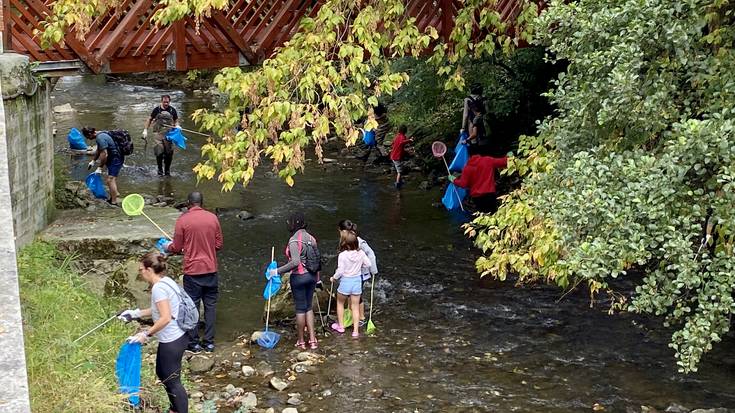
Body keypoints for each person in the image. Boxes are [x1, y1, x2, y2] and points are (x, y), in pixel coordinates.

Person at [119, 252, 189, 413]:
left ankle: (179, 410)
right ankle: (174, 408)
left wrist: (146, 334)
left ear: (149, 269)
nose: (140, 273)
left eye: (141, 269)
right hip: (178, 336)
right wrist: (135, 313)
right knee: (163, 372)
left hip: (172, 339)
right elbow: (160, 309)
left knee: (172, 379)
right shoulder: (166, 281)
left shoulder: (159, 288)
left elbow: (164, 318)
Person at [165, 192, 223, 353]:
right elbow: (218, 244)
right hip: (211, 269)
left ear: (188, 203)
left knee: (193, 307)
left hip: (192, 271)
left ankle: (194, 343)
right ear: (201, 203)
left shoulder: (183, 220)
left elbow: (176, 247)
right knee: (210, 306)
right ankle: (209, 343)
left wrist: (167, 247)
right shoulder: (213, 218)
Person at [271, 212, 320, 350]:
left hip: (298, 277)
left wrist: (277, 271)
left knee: (300, 309)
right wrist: (318, 279)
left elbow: (295, 262)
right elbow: (316, 259)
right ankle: (313, 340)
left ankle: (301, 341)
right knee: (309, 307)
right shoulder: (312, 238)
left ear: (294, 224)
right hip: (311, 276)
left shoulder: (293, 240)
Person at [330, 230, 371, 338]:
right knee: (355, 307)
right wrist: (360, 266)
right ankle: (356, 331)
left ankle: (341, 326)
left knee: (340, 303)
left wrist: (334, 278)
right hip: (356, 282)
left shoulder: (342, 255)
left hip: (345, 282)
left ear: (345, 244)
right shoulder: (361, 253)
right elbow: (369, 264)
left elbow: (340, 270)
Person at [337, 219, 378, 326]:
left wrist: (373, 270)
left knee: (357, 296)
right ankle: (353, 315)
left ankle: (361, 317)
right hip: (353, 273)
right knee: (353, 295)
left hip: (360, 273)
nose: (340, 234)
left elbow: (371, 254)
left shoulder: (359, 241)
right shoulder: (348, 240)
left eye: (340, 231)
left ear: (344, 231)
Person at [450, 145, 508, 213]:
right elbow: (503, 162)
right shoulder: (487, 160)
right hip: (490, 194)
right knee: (494, 215)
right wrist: (508, 156)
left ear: (468, 156)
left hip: (477, 197)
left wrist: (454, 180)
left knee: (483, 217)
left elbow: (463, 184)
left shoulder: (467, 168)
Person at [82, 127, 124, 205]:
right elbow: (99, 149)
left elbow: (104, 154)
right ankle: (116, 193)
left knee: (110, 179)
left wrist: (100, 167)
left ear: (90, 134)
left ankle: (114, 201)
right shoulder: (100, 134)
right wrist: (93, 161)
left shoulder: (100, 138)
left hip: (115, 158)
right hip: (113, 157)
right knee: (111, 178)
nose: (88, 139)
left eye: (87, 137)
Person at [144, 95, 179, 176]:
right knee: (159, 151)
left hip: (169, 134)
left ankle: (167, 171)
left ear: (169, 102)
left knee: (169, 153)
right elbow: (149, 119)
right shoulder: (156, 110)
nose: (166, 103)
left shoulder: (172, 110)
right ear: (161, 101)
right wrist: (145, 130)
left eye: (167, 102)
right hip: (158, 133)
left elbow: (176, 120)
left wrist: (177, 126)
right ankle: (160, 170)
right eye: (164, 102)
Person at [389, 125, 413, 189]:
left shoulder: (397, 136)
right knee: (399, 171)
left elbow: (393, 143)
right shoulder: (402, 137)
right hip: (396, 157)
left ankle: (400, 180)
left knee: (399, 168)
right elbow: (402, 142)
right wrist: (409, 140)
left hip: (393, 155)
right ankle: (397, 183)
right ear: (405, 131)